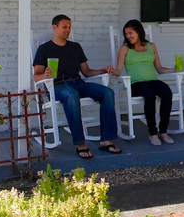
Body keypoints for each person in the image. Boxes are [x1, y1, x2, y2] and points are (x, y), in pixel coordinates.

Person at [33, 14, 122, 159]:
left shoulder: (75, 47)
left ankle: (106, 140)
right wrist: (45, 75)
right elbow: (36, 76)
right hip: (57, 86)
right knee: (71, 95)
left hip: (78, 83)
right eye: (64, 27)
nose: (67, 30)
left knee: (107, 93)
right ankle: (80, 143)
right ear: (54, 27)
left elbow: (86, 72)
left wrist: (103, 70)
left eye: (69, 27)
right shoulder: (44, 49)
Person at [113, 19, 176, 146]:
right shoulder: (124, 49)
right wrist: (111, 71)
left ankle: (163, 131)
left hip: (152, 80)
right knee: (150, 95)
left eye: (131, 33)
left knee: (166, 92)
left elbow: (159, 68)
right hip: (136, 84)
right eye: (126, 34)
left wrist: (174, 69)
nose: (128, 36)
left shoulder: (151, 46)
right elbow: (119, 71)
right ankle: (153, 133)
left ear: (139, 31)